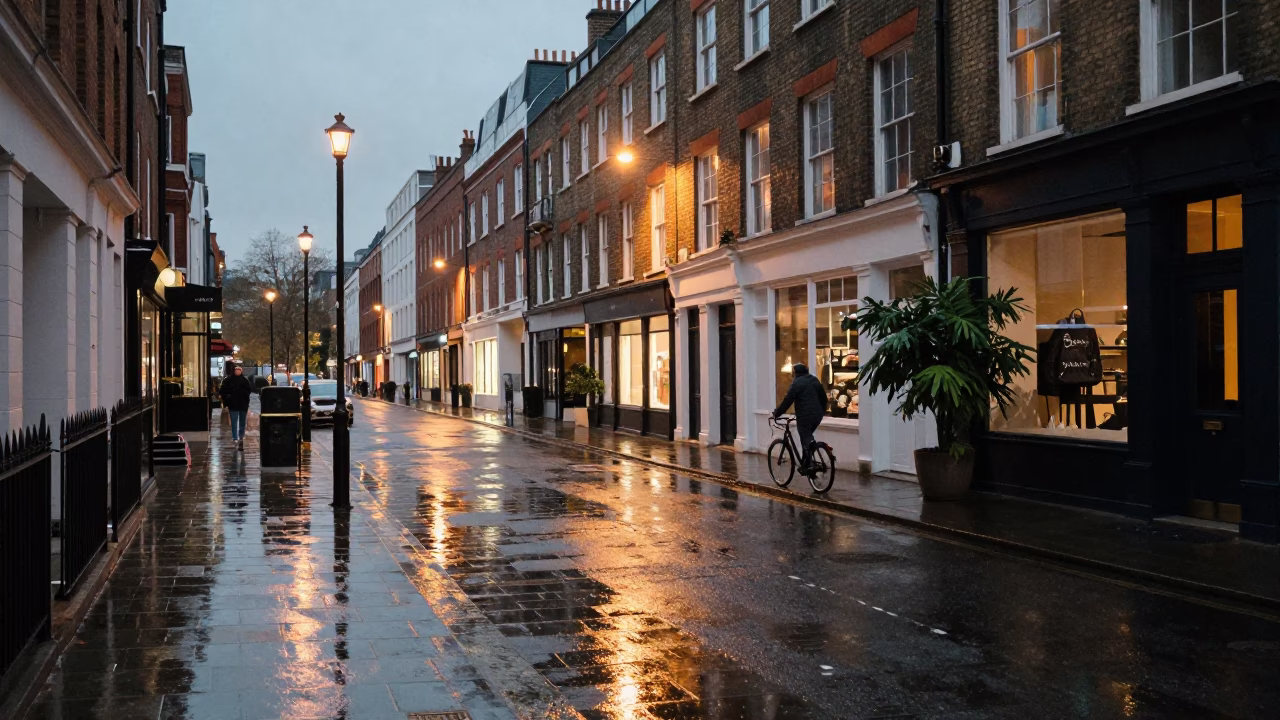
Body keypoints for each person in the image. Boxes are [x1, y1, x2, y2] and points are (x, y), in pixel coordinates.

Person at [772, 363, 828, 473]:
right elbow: (824, 398)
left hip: (805, 415)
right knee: (806, 437)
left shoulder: (797, 383)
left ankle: (810, 465)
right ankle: (807, 461)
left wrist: (777, 413)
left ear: (795, 373)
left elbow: (788, 400)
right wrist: (822, 411)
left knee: (805, 435)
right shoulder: (814, 379)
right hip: (818, 415)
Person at [219, 364, 253, 450]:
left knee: (242, 422)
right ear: (234, 371)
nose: (238, 371)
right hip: (233, 405)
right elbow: (223, 391)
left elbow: (248, 392)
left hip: (243, 405)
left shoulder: (245, 381)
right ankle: (235, 438)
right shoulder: (228, 381)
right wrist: (227, 400)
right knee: (234, 422)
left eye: (239, 370)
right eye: (236, 370)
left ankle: (241, 437)